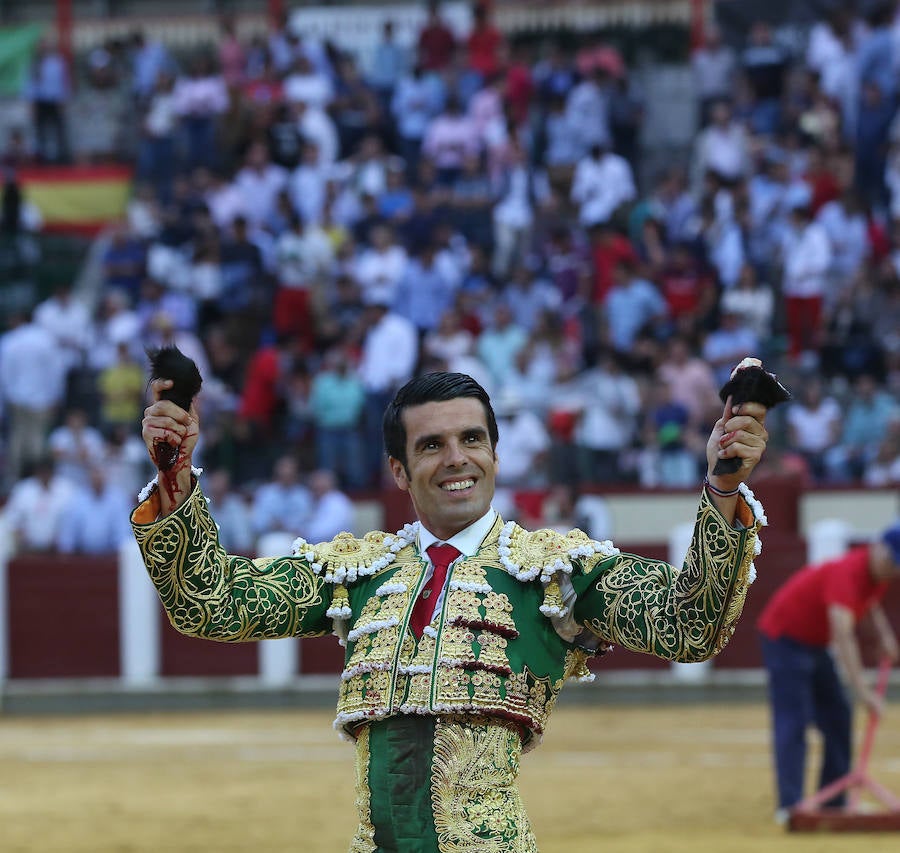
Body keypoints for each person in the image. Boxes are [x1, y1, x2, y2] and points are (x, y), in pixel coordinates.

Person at [134, 370, 770, 849]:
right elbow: (209, 604)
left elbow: (689, 625)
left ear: (496, 453)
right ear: (399, 470)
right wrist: (176, 477)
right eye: (432, 445)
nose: (457, 459)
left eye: (472, 439)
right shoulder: (358, 571)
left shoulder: (552, 568)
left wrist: (722, 488)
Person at [757, 526, 900, 821]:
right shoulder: (848, 571)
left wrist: (883, 635)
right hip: (784, 636)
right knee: (794, 719)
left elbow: (869, 601)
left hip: (813, 642)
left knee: (837, 715)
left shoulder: (877, 572)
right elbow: (843, 634)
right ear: (879, 548)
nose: (894, 571)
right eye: (893, 561)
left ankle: (833, 803)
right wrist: (863, 692)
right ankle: (790, 806)